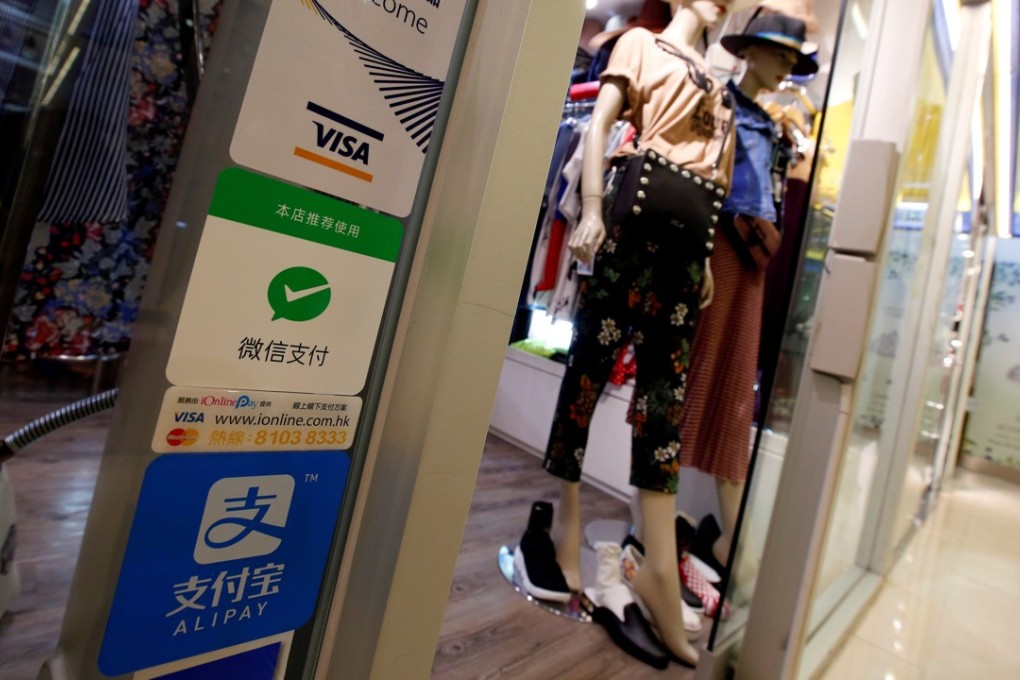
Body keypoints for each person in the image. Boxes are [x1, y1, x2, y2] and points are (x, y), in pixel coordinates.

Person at [521, 0, 740, 666]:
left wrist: (703, 258)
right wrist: (589, 207)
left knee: (662, 412)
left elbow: (711, 180)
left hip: (682, 253)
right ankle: (566, 523)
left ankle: (662, 583)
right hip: (631, 231)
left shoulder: (720, 86)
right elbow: (600, 127)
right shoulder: (639, 46)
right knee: (587, 372)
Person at [678, 11, 818, 583]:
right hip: (715, 255)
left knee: (735, 389)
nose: (788, 65)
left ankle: (732, 546)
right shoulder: (720, 105)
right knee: (687, 381)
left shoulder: (774, 124)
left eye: (792, 57)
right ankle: (667, 537)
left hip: (752, 266)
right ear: (751, 52)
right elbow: (701, 182)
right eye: (780, 53)